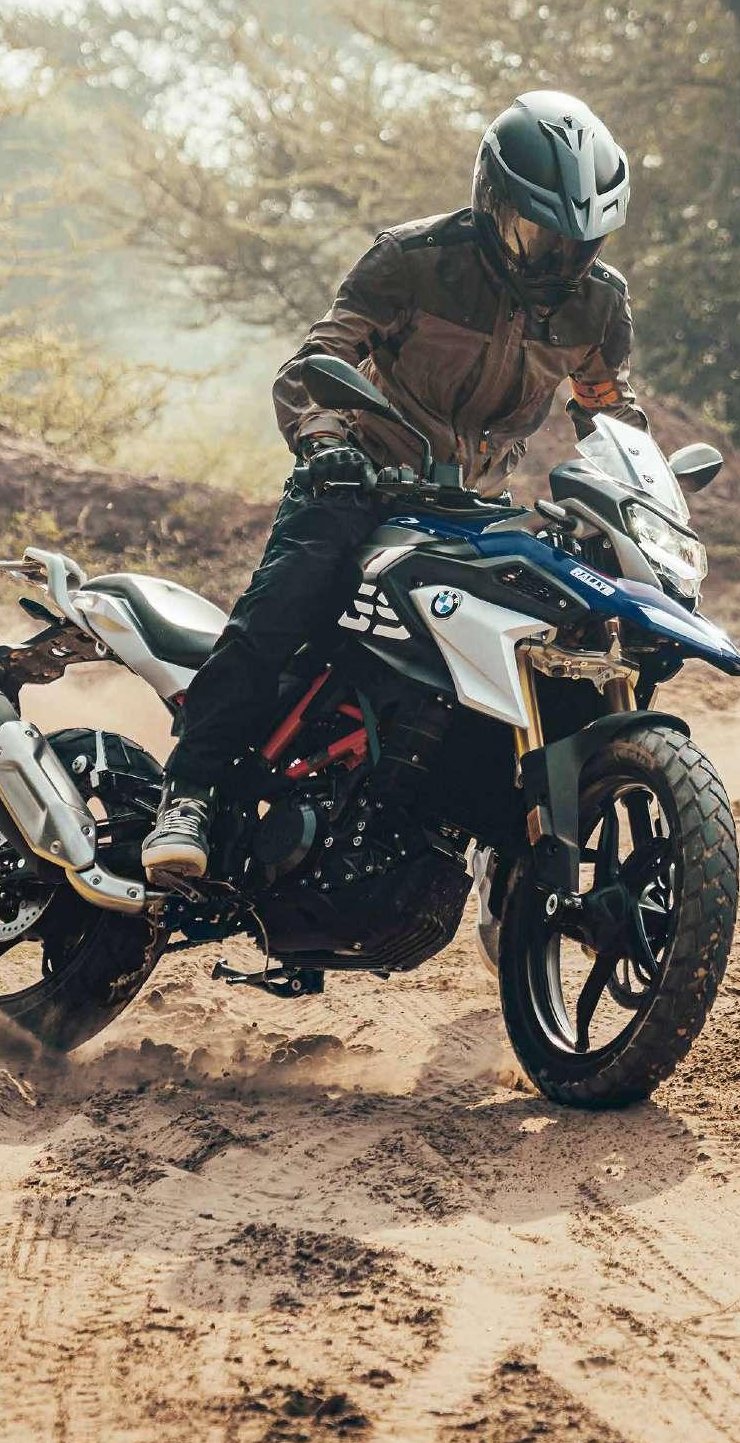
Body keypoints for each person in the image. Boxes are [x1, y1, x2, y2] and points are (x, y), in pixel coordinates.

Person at [141, 89, 649, 881]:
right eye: (539, 233)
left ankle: (505, 842)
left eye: (576, 243)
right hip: (360, 484)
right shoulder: (414, 262)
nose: (556, 259)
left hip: (474, 508)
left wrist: (637, 487)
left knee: (563, 632)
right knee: (283, 606)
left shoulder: (598, 304)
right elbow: (314, 362)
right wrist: (324, 442)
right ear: (492, 201)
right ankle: (190, 790)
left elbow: (608, 410)